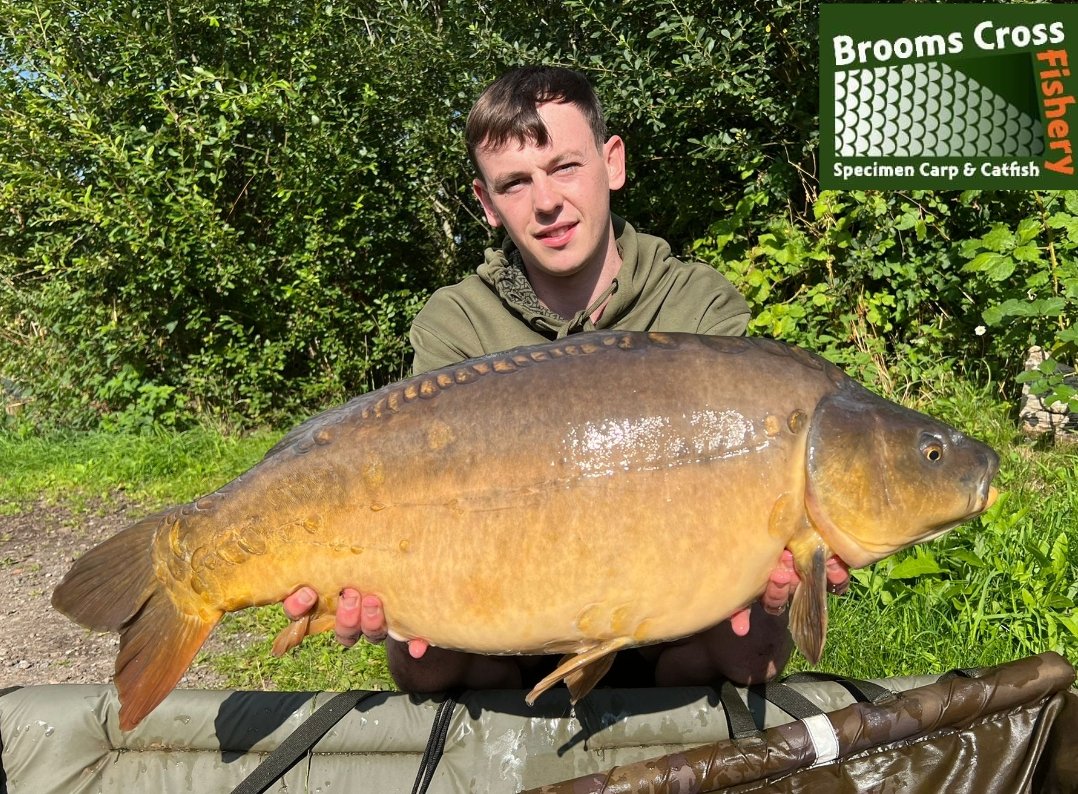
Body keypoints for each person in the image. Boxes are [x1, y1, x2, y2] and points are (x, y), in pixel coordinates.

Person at [282, 66, 849, 694]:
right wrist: (373, 583)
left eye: (565, 167)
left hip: (680, 615)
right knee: (422, 660)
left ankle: (670, 712)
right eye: (515, 183)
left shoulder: (696, 306)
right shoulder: (458, 323)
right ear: (487, 204)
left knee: (754, 646)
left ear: (612, 163)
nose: (546, 201)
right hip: (503, 612)